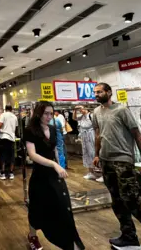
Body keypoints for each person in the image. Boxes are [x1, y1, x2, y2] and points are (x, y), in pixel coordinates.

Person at [92, 83, 141, 250]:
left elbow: (138, 137)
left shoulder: (121, 110)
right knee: (116, 200)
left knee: (130, 199)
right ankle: (129, 236)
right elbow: (98, 135)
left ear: (109, 92)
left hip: (123, 160)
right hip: (106, 160)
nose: (96, 95)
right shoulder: (96, 112)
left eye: (99, 92)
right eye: (95, 92)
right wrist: (97, 154)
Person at [25, 101, 84, 250]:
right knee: (36, 208)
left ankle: (69, 241)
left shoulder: (52, 127)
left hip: (54, 175)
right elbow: (32, 155)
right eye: (46, 113)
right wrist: (54, 164)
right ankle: (32, 235)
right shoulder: (30, 130)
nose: (49, 116)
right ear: (38, 113)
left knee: (62, 206)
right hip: (40, 175)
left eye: (51, 113)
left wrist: (59, 164)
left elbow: (55, 149)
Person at [0, 105, 18, 180]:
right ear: (11, 109)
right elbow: (16, 129)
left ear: (5, 109)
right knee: (12, 155)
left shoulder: (3, 115)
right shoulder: (14, 117)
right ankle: (11, 173)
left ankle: (3, 173)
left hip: (4, 137)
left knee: (3, 154)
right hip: (12, 138)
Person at [73, 106, 99, 181]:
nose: (81, 110)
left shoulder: (91, 115)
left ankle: (99, 171)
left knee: (93, 153)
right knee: (86, 154)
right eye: (80, 109)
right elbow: (74, 118)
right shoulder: (82, 116)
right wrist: (75, 110)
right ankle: (91, 172)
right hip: (84, 137)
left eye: (82, 108)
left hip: (91, 135)